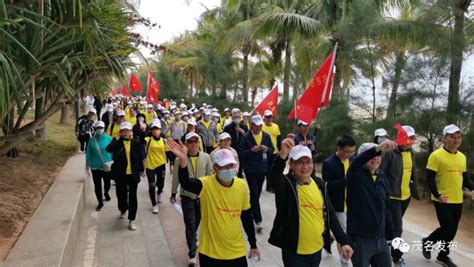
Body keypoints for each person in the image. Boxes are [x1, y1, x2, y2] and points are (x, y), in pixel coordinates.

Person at [168, 139, 260, 266]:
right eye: (223, 166)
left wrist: (253, 244)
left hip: (236, 251)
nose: (228, 169)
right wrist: (183, 161)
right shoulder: (206, 185)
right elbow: (186, 183)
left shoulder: (242, 186)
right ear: (215, 168)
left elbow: (246, 217)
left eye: (231, 165)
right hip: (210, 253)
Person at [269, 138, 353, 266]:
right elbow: (274, 178)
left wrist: (344, 241)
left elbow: (330, 215)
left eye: (308, 162)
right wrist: (282, 155)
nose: (305, 167)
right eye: (299, 162)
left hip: (316, 249)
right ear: (291, 164)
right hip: (294, 252)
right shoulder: (286, 185)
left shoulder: (319, 184)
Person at [422, 124, 473, 267]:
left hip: (458, 199)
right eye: (452, 137)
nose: (456, 140)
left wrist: (472, 188)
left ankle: (442, 255)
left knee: (452, 230)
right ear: (445, 138)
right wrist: (437, 195)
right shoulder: (436, 155)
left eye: (458, 137)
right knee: (448, 227)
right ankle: (428, 242)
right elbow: (430, 178)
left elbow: (465, 178)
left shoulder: (462, 157)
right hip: (442, 199)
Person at [346, 141, 397, 267]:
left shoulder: (382, 177)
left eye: (379, 155)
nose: (375, 159)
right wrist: (378, 148)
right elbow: (357, 161)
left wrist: (392, 235)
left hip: (380, 239)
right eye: (371, 156)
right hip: (360, 239)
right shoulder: (355, 175)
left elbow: (386, 208)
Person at [170, 132, 213, 265]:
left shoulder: (206, 157)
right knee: (190, 224)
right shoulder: (180, 159)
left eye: (195, 141)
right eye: (190, 142)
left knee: (196, 222)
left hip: (202, 197)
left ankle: (192, 237)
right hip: (187, 197)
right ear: (187, 144)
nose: (193, 144)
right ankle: (192, 253)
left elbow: (210, 175)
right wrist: (173, 193)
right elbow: (177, 177)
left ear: (199, 143)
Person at [379, 125, 419, 267]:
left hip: (405, 197)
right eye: (408, 137)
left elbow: (412, 173)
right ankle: (396, 258)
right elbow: (380, 172)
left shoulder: (411, 153)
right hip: (392, 197)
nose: (411, 141)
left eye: (413, 138)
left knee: (392, 225)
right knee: (398, 228)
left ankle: (383, 244)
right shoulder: (390, 153)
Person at [322, 134, 356, 266]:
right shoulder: (329, 163)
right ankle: (344, 260)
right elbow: (327, 186)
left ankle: (330, 237)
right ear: (339, 148)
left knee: (347, 231)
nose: (349, 154)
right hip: (338, 205)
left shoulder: (353, 161)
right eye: (346, 151)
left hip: (351, 204)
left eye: (352, 152)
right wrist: (346, 182)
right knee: (343, 233)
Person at [106, 122, 146, 231]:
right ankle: (123, 208)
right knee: (121, 194)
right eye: (124, 131)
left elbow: (140, 158)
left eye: (128, 130)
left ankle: (131, 220)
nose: (126, 133)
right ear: (121, 132)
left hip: (133, 175)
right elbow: (108, 149)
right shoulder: (117, 143)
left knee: (133, 197)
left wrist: (142, 170)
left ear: (131, 132)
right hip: (120, 174)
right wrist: (116, 139)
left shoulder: (136, 143)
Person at [240, 114, 274, 233]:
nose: (259, 127)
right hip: (250, 170)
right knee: (254, 193)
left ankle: (249, 209)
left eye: (260, 125)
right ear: (252, 125)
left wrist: (267, 149)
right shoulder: (245, 137)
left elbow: (272, 149)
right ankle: (258, 220)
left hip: (262, 169)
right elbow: (242, 153)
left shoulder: (266, 136)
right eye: (256, 125)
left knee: (257, 193)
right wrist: (251, 151)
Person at [85, 121, 113, 211]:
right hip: (95, 166)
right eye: (98, 128)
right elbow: (88, 152)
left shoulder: (109, 139)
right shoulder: (91, 140)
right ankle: (100, 202)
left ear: (104, 128)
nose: (99, 130)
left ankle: (106, 192)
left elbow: (113, 152)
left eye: (101, 128)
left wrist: (113, 162)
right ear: (95, 129)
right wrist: (87, 164)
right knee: (97, 186)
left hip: (107, 166)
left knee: (107, 183)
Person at [144, 121, 167, 214]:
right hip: (150, 166)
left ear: (160, 130)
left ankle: (159, 193)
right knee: (152, 185)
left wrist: (172, 163)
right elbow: (140, 137)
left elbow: (168, 152)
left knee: (161, 184)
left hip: (161, 165)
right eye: (153, 129)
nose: (155, 131)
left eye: (157, 129)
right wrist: (144, 130)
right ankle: (154, 204)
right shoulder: (147, 139)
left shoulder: (164, 141)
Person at [223, 109, 248, 177]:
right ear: (232, 117)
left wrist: (242, 132)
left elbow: (249, 138)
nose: (237, 118)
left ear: (241, 117)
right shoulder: (227, 127)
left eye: (238, 117)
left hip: (242, 151)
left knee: (240, 169)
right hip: (231, 151)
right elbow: (224, 139)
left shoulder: (244, 126)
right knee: (231, 168)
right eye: (235, 117)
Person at [262, 109, 281, 192]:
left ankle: (269, 187)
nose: (269, 119)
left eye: (270, 117)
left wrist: (280, 150)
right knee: (264, 169)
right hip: (264, 152)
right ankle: (261, 184)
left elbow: (279, 139)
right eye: (267, 117)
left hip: (274, 152)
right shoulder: (261, 127)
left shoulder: (276, 126)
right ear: (264, 118)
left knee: (272, 170)